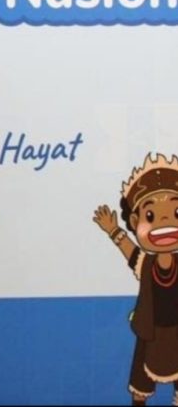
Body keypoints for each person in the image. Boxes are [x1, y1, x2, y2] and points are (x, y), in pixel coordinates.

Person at [93, 153, 178, 406]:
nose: (165, 221)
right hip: (149, 333)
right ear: (134, 220)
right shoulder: (147, 264)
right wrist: (113, 230)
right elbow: (131, 252)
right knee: (140, 388)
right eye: (150, 215)